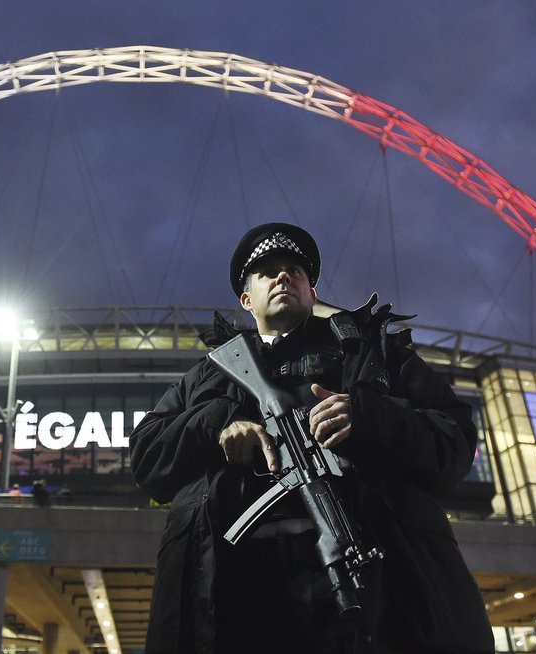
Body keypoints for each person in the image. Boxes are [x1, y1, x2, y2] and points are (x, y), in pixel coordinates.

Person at [129, 223, 493, 653]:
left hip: (374, 595)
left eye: (294, 271)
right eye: (267, 272)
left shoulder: (373, 354)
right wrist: (217, 423)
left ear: (312, 293)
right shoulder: (209, 376)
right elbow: (147, 456)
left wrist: (372, 417)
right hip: (234, 597)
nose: (283, 277)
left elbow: (454, 440)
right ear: (246, 300)